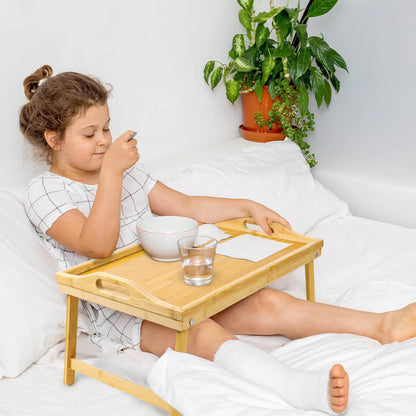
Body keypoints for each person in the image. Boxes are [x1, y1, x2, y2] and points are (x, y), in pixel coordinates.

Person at [20, 65, 416, 415]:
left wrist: (247, 206)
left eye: (106, 127)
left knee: (269, 302)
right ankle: (298, 388)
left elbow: (186, 204)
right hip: (125, 309)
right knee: (202, 333)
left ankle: (385, 325)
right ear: (53, 140)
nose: (104, 140)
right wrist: (112, 174)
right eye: (90, 134)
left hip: (172, 282)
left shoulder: (127, 174)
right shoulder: (46, 192)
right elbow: (97, 245)